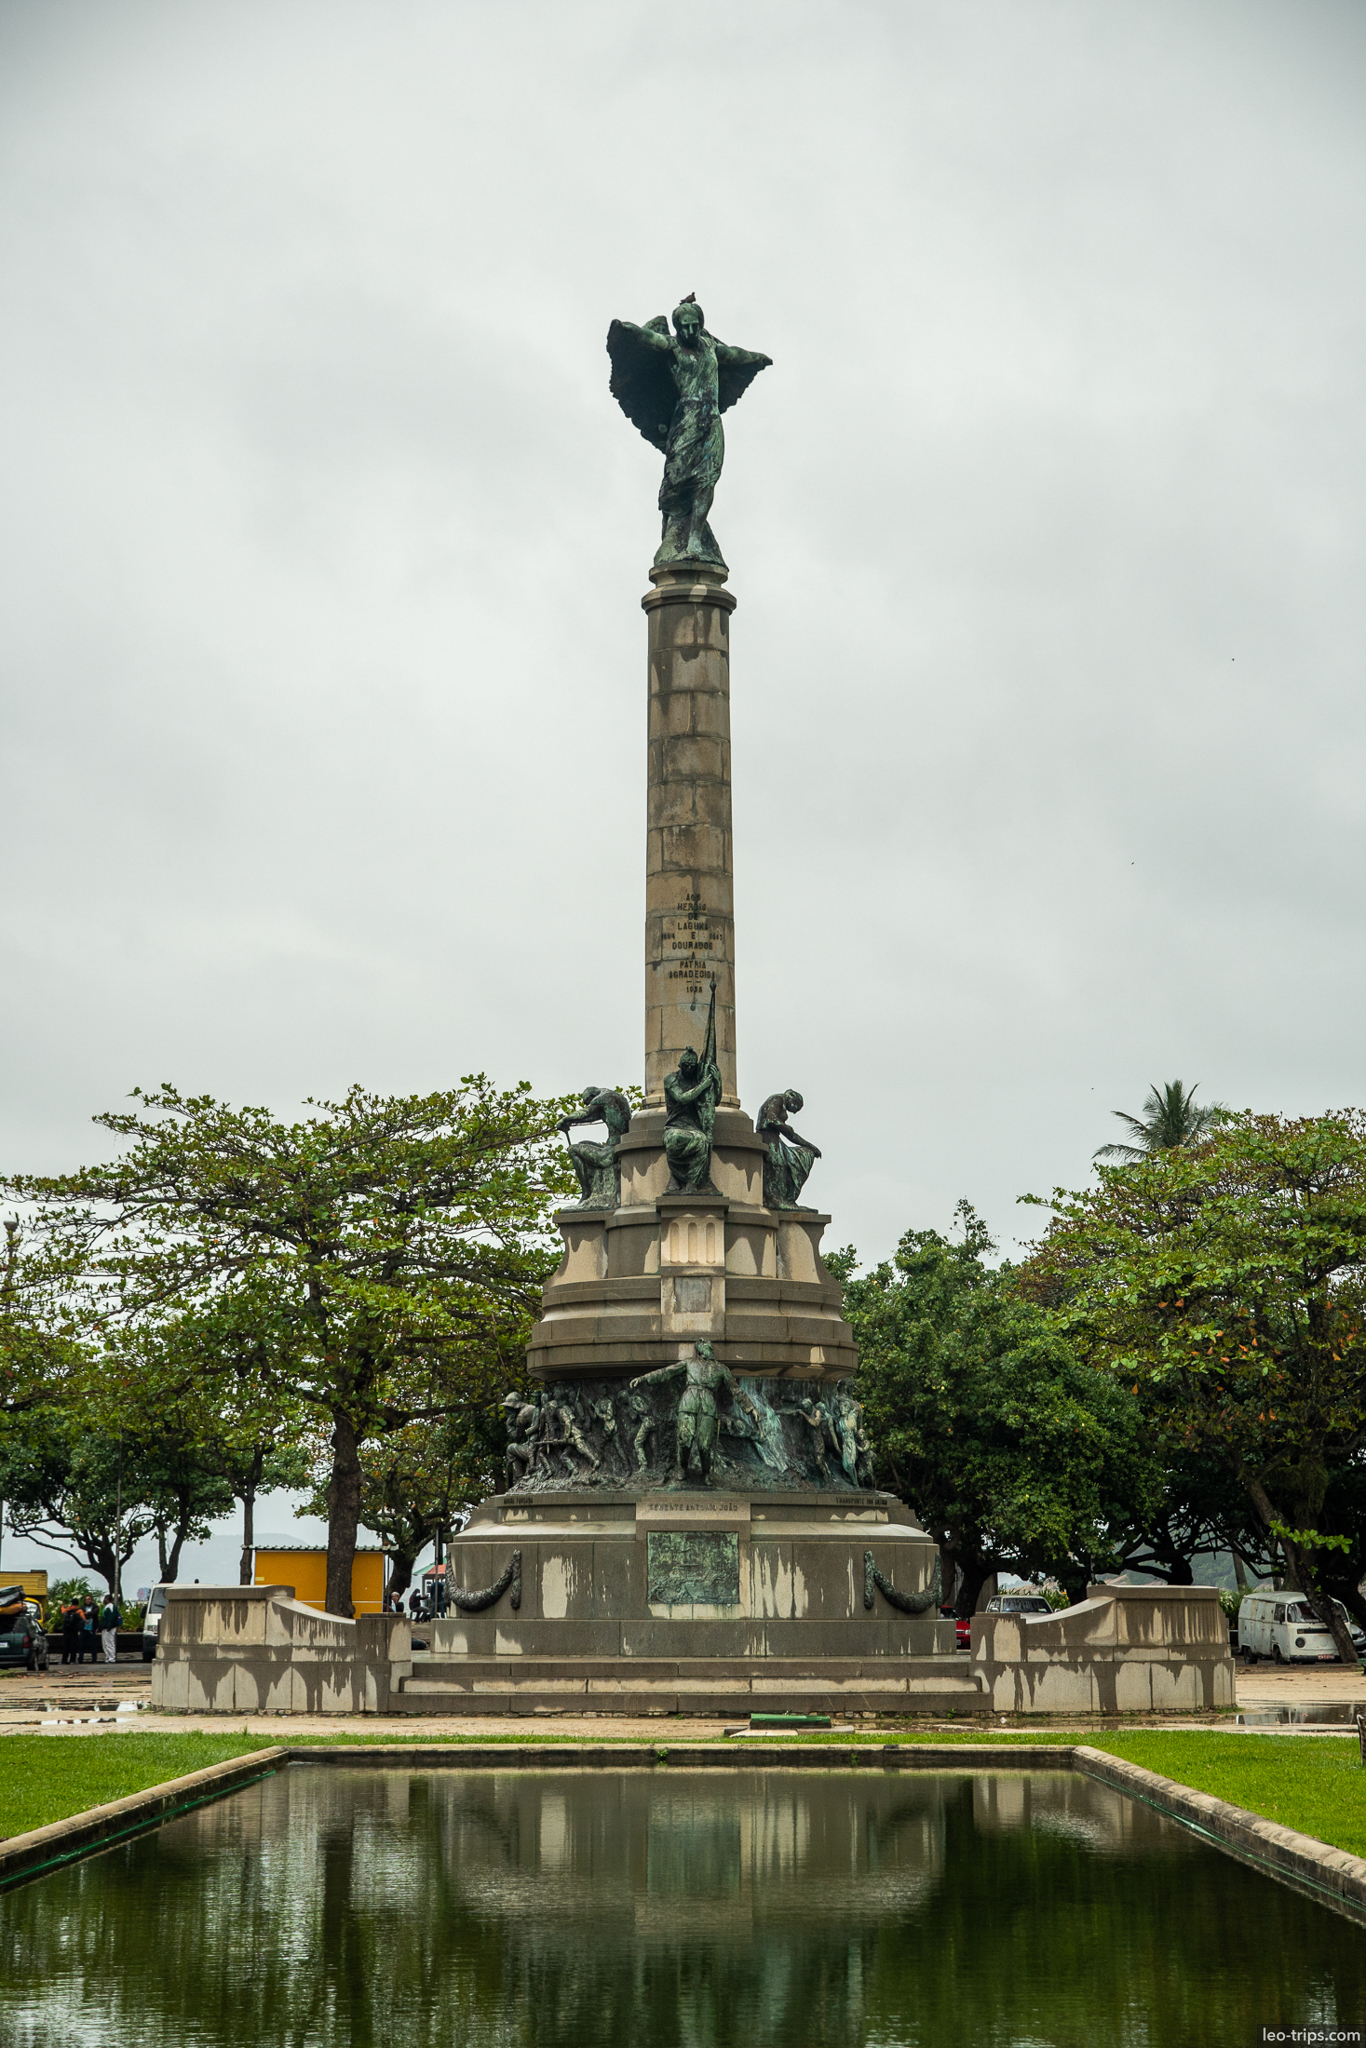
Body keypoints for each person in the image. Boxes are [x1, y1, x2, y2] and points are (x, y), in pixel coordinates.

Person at [99, 1595, 120, 1665]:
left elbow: (111, 1618)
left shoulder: (110, 1607)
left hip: (109, 1629)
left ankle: (112, 1658)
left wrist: (109, 1627)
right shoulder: (107, 1607)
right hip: (105, 1628)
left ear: (107, 1599)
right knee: (105, 1644)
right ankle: (108, 1657)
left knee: (110, 1643)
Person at [60, 1601, 83, 1667]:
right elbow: (83, 1620)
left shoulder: (67, 1612)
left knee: (66, 1646)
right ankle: (72, 1660)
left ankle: (64, 1660)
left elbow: (63, 1612)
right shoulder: (79, 1612)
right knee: (73, 1647)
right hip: (74, 1632)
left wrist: (62, 1606)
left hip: (67, 1632)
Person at [80, 1597, 100, 1665]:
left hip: (92, 1629)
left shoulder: (95, 1607)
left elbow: (95, 1613)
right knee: (81, 1645)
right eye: (86, 1599)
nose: (87, 1600)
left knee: (93, 1645)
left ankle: (94, 1659)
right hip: (84, 1629)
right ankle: (80, 1659)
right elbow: (80, 1614)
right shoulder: (82, 1607)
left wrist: (87, 1613)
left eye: (89, 1599)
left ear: (91, 1600)